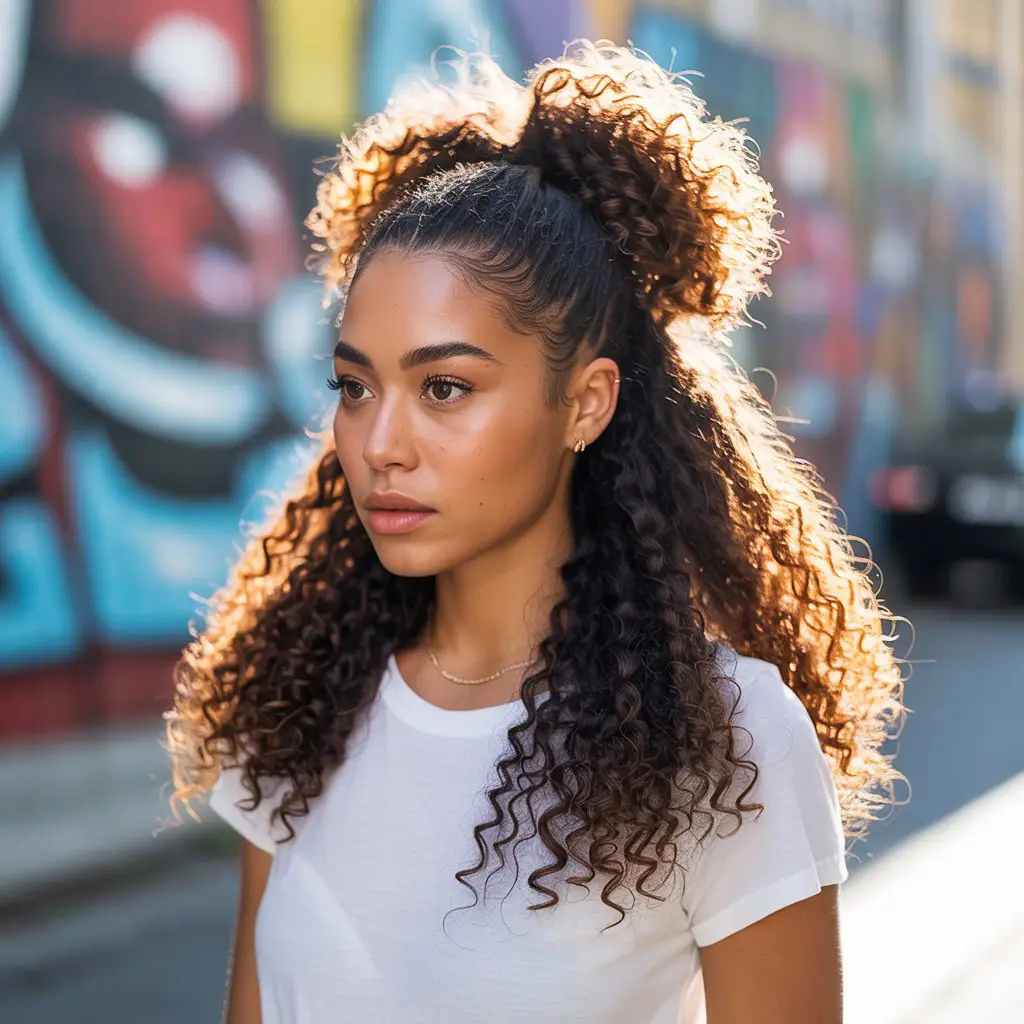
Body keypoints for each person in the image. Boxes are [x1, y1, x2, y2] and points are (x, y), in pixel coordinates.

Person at [165, 41, 905, 1024]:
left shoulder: (725, 740)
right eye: (354, 386)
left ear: (585, 403)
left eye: (444, 387)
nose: (379, 442)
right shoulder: (304, 702)